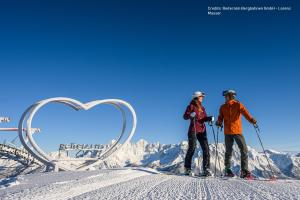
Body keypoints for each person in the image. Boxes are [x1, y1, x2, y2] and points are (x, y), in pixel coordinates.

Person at [216, 90, 257, 179]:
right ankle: (227, 170)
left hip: (237, 131)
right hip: (227, 132)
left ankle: (244, 171)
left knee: (244, 150)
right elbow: (220, 117)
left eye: (226, 96)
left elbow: (246, 113)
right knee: (229, 152)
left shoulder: (238, 105)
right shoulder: (222, 107)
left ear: (230, 96)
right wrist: (219, 122)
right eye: (225, 96)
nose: (225, 98)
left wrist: (251, 120)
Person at [183, 91, 214, 176]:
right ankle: (187, 169)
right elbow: (185, 116)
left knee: (206, 149)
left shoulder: (202, 108)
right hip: (193, 129)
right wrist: (191, 115)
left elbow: (203, 119)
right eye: (201, 96)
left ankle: (206, 169)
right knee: (192, 148)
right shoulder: (191, 106)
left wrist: (209, 118)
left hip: (202, 130)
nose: (202, 98)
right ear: (197, 97)